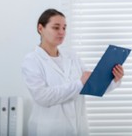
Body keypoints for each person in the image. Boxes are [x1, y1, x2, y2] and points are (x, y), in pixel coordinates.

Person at [22, 8, 124, 136]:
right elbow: (42, 97)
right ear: (40, 28)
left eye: (64, 28)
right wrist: (79, 84)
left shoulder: (72, 56)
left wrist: (113, 79)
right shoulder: (32, 60)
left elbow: (91, 86)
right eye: (56, 27)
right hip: (49, 130)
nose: (61, 32)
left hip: (78, 128)